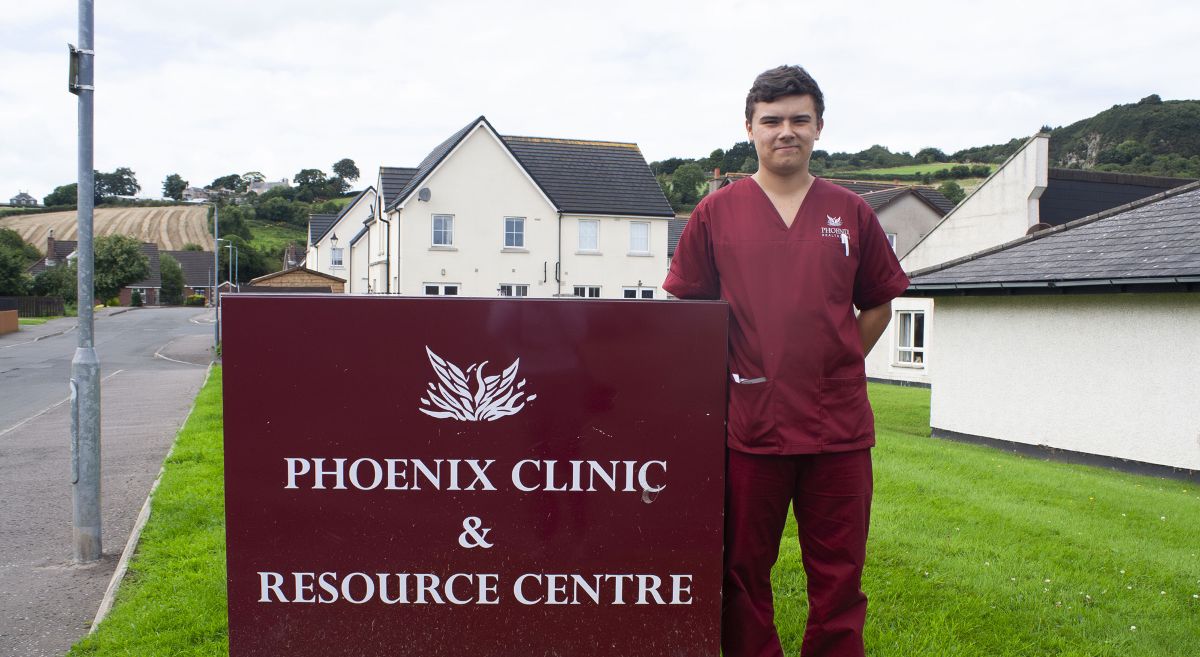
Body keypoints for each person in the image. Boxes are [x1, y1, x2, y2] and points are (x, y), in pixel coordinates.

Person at [663, 65, 909, 657]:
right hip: (750, 427)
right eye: (771, 120)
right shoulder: (715, 213)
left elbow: (878, 303)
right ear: (749, 128)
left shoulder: (850, 213)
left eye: (800, 119)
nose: (786, 131)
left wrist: (838, 359)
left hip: (839, 430)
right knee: (743, 575)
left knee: (840, 578)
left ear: (819, 127)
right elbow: (688, 315)